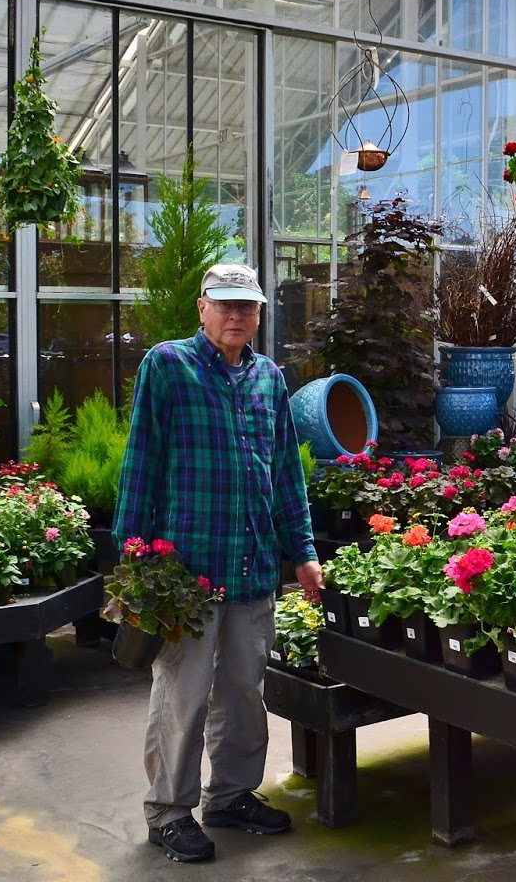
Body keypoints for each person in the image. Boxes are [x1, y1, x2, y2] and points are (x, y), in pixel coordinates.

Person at [113, 262, 323, 865]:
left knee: (243, 690)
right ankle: (169, 812)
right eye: (226, 304)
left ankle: (230, 796)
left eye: (248, 306)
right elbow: (141, 463)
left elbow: (286, 473)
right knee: (183, 692)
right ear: (202, 308)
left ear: (259, 314)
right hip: (187, 573)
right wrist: (133, 558)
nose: (237, 316)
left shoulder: (268, 379)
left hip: (254, 566)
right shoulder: (168, 366)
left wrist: (304, 553)